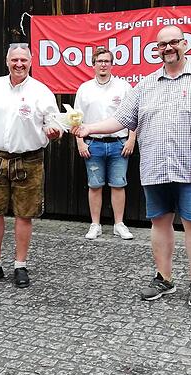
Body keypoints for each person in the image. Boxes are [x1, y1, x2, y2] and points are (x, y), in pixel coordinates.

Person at [73, 25, 191, 308]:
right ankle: (164, 277)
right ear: (156, 50)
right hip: (155, 167)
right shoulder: (146, 85)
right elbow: (121, 119)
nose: (168, 48)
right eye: (162, 45)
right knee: (159, 223)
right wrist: (89, 128)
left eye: (173, 42)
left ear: (185, 44)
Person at [0, 43, 62, 289]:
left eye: (24, 60)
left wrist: (53, 132)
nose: (19, 64)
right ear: (6, 61)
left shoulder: (42, 91)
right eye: (14, 60)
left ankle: (20, 265)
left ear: (31, 62)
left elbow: (54, 124)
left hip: (29, 160)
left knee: (24, 215)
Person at [74, 47, 137, 240]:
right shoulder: (84, 89)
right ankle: (95, 225)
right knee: (95, 185)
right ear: (93, 65)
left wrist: (131, 139)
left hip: (119, 143)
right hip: (93, 144)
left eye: (106, 61)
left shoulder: (124, 87)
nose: (103, 64)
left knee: (118, 185)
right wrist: (80, 143)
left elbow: (134, 114)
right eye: (99, 61)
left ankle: (119, 224)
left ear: (112, 64)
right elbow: (76, 119)